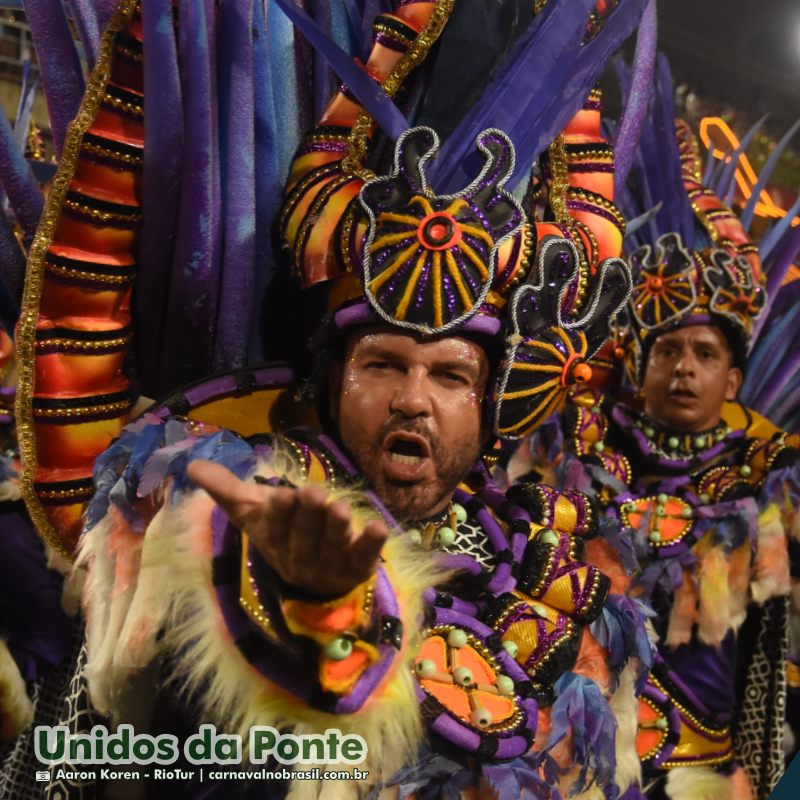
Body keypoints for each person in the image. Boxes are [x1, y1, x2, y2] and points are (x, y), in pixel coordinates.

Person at [2, 2, 656, 798]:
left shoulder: (533, 552)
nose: (414, 399)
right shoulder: (223, 517)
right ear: (327, 378)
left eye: (450, 376)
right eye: (382, 365)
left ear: (493, 404)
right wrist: (313, 613)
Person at [512, 113, 800, 800]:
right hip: (552, 744)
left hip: (694, 766)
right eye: (667, 349)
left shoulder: (766, 481)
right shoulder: (573, 448)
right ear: (641, 365)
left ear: (732, 380)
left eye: (705, 354)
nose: (684, 368)